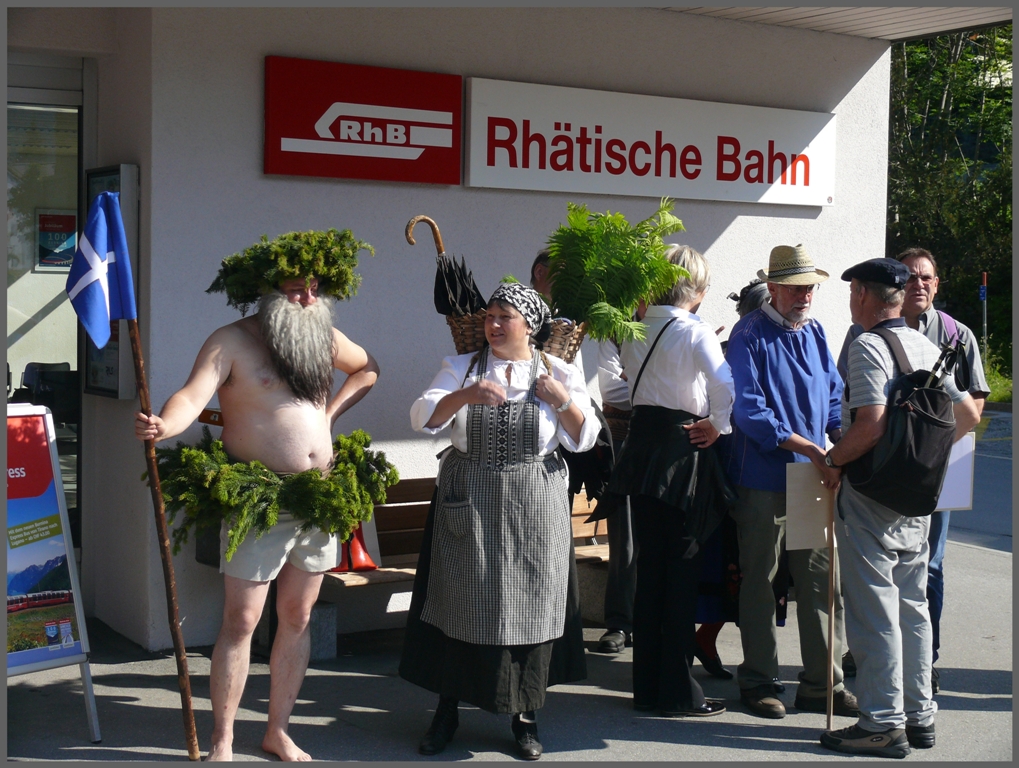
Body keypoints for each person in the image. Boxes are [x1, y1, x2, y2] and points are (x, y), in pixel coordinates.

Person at [135, 264, 379, 761]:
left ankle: (278, 730)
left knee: (297, 614)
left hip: (317, 497)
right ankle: (223, 739)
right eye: (295, 291)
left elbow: (368, 366)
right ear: (265, 293)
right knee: (242, 619)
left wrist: (329, 415)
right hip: (259, 501)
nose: (308, 299)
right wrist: (165, 423)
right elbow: (192, 395)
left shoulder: (322, 336)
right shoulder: (230, 341)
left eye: (313, 290)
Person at [400, 282, 599, 760]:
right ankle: (447, 711)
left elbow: (586, 437)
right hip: (470, 501)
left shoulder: (559, 371)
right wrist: (465, 395)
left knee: (529, 604)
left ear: (529, 324)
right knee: (459, 601)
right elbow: (420, 417)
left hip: (534, 504)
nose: (492, 324)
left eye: (503, 316)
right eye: (489, 315)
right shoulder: (462, 367)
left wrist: (561, 399)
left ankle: (524, 717)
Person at [819, 258, 980, 758]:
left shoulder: (869, 346)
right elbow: (967, 413)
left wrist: (833, 459)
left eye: (853, 294)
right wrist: (922, 462)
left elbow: (869, 424)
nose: (851, 302)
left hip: (871, 494)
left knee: (873, 609)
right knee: (912, 604)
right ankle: (920, 714)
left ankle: (882, 723)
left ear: (865, 296)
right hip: (915, 494)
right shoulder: (923, 343)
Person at [723, 244, 857, 720]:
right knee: (761, 583)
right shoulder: (748, 334)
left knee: (823, 583)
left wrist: (840, 443)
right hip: (763, 477)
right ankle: (759, 682)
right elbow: (749, 412)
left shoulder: (816, 331)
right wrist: (811, 448)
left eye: (810, 287)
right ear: (773, 288)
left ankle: (824, 684)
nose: (805, 295)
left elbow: (834, 394)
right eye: (796, 287)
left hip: (812, 474)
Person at [607, 244, 735, 718]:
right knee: (680, 572)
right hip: (681, 452)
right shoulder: (694, 330)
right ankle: (679, 692)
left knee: (651, 572)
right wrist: (718, 425)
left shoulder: (636, 330)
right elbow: (726, 386)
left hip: (641, 450)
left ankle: (648, 688)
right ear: (697, 291)